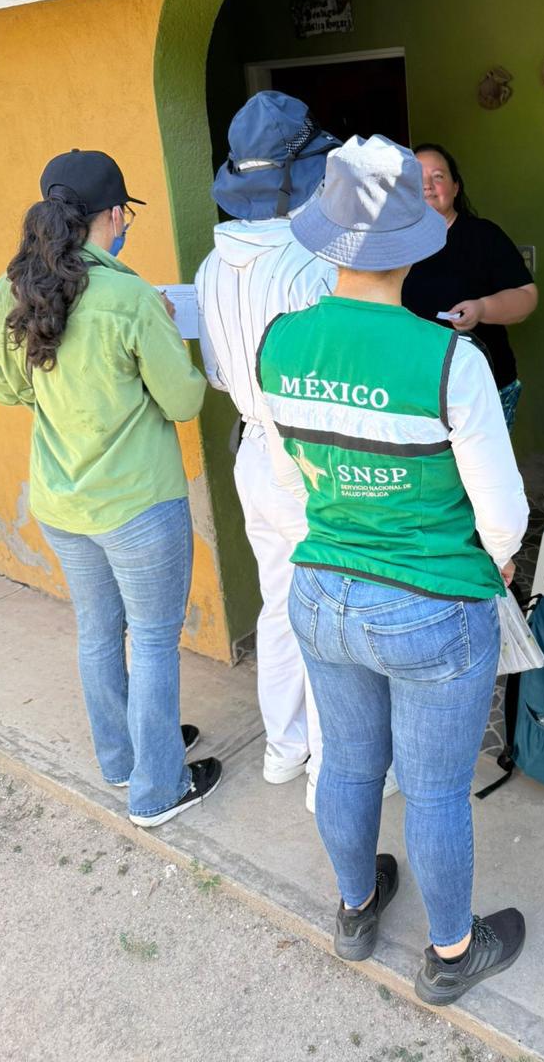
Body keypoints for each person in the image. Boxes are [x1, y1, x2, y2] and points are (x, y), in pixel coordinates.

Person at [258, 134, 530, 1005]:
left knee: (346, 766)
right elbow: (504, 519)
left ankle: (354, 908)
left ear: (325, 238)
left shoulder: (279, 343)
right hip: (431, 606)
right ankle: (452, 953)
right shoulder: (449, 360)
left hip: (321, 589)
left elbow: (285, 477)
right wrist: (499, 568)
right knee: (438, 788)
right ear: (418, 241)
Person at [0, 150, 221, 827]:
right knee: (151, 641)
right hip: (138, 505)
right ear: (114, 215)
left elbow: (7, 387)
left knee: (99, 632)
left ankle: (126, 760)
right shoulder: (127, 296)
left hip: (61, 503)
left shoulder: (10, 291)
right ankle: (158, 790)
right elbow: (181, 401)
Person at [197, 90, 369, 812]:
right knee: (329, 615)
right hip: (312, 459)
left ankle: (283, 747)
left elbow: (212, 372)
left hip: (252, 451)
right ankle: (329, 771)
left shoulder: (211, 267)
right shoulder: (311, 264)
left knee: (278, 605)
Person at [402, 143, 537, 431]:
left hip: (482, 387)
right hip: (413, 388)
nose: (427, 185)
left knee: (479, 476)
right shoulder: (392, 244)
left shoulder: (483, 236)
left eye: (438, 176)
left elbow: (527, 297)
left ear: (455, 187)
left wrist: (482, 308)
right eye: (416, 177)